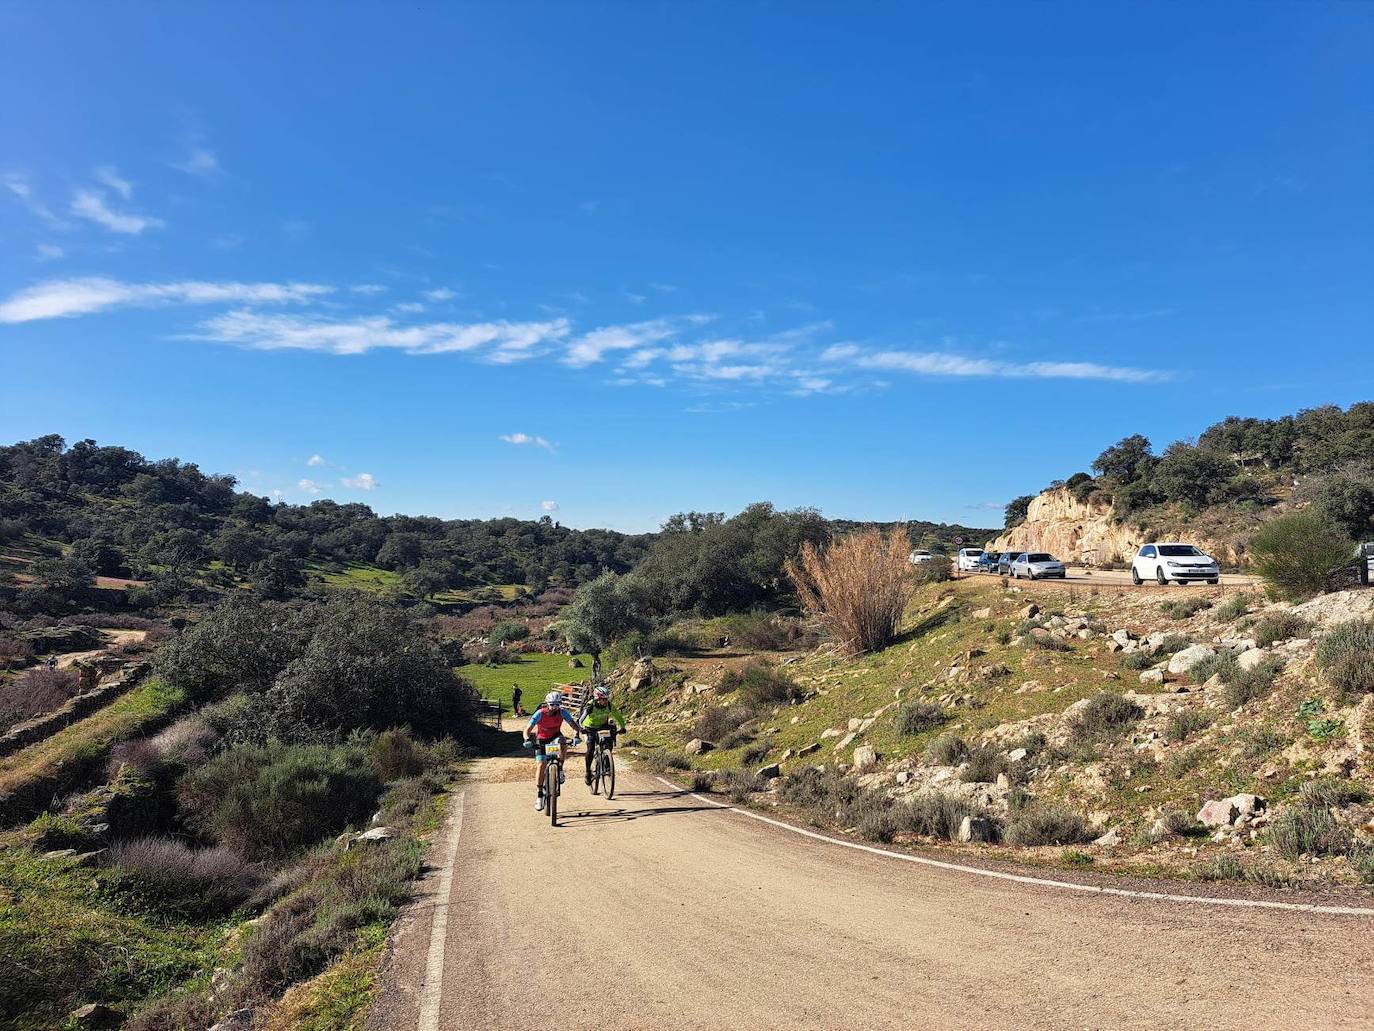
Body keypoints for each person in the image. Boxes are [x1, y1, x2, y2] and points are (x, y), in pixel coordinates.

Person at [523, 690, 582, 812]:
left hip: (555, 736)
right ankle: (540, 794)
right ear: (547, 704)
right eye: (552, 705)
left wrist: (577, 735)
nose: (554, 707)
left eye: (557, 704)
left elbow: (573, 724)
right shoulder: (540, 713)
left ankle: (560, 769)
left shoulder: (563, 712)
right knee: (541, 765)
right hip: (542, 739)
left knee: (563, 741)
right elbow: (527, 729)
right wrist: (527, 739)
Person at [579, 684, 626, 786]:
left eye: (606, 699)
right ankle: (588, 772)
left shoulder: (609, 705)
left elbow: (618, 716)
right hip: (589, 728)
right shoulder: (590, 705)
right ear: (597, 699)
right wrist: (581, 728)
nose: (605, 701)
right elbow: (581, 719)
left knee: (608, 743)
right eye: (603, 699)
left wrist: (622, 727)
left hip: (602, 726)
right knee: (590, 749)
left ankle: (607, 762)